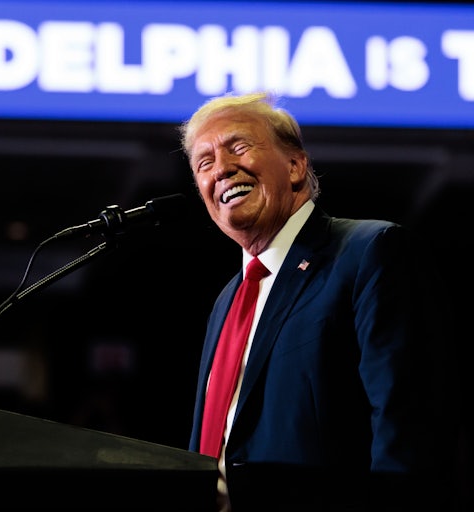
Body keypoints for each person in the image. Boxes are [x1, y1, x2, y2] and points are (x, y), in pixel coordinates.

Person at [179, 91, 460, 511]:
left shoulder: (369, 252)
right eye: (204, 162)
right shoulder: (228, 300)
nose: (221, 168)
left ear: (295, 166)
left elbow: (408, 425)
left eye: (238, 147)